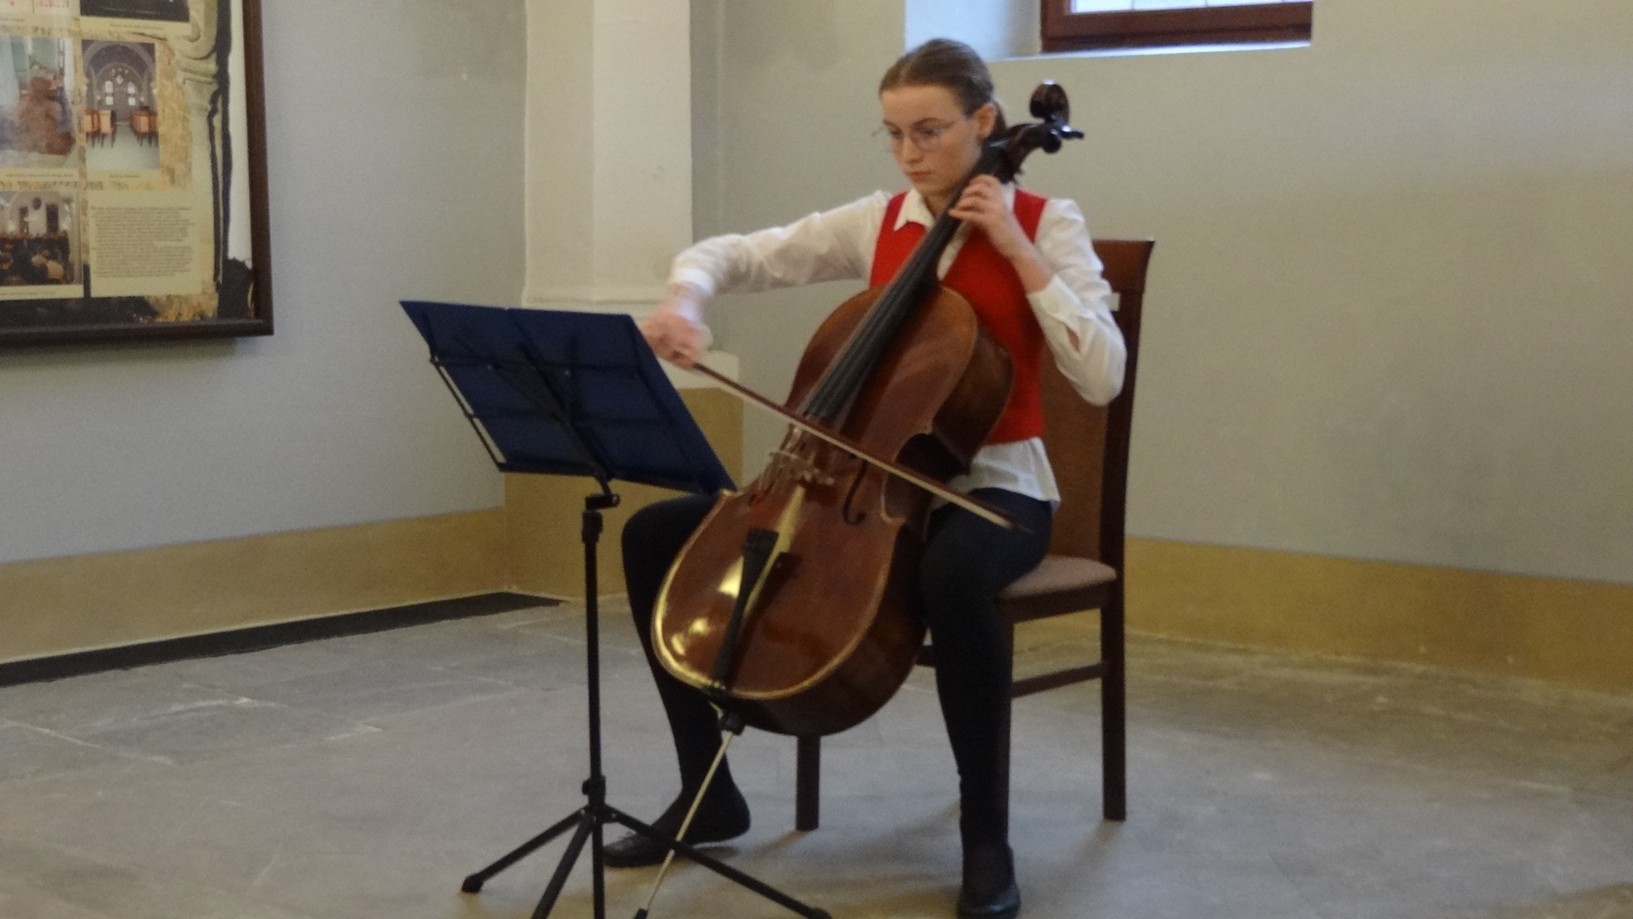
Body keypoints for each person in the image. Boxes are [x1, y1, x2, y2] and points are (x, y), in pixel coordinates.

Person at [608, 38, 1126, 919]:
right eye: (892, 134)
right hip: (853, 481)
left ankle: (985, 838)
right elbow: (736, 253)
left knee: (952, 573)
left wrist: (1013, 244)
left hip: (997, 485)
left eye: (929, 131)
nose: (908, 153)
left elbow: (1102, 374)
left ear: (984, 121)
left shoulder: (1047, 222)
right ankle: (707, 792)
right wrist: (685, 298)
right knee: (654, 534)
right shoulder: (876, 222)